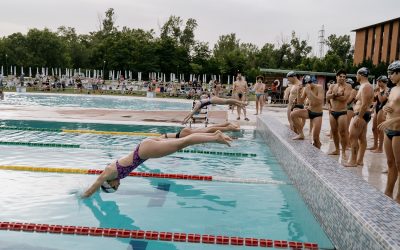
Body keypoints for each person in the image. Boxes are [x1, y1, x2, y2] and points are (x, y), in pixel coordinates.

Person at [82, 131, 233, 198]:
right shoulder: (113, 174)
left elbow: (95, 185)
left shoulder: (109, 172)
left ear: (110, 184)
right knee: (182, 143)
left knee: (183, 142)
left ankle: (215, 137)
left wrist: (82, 196)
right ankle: (214, 135)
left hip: (146, 151)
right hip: (145, 147)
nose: (118, 186)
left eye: (115, 187)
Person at [378, 61, 400, 203]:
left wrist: (391, 121)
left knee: (399, 164)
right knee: (390, 163)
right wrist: (386, 108)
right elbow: (392, 104)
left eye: (391, 73)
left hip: (398, 131)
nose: (389, 76)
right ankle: (388, 192)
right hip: (389, 130)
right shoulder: (393, 89)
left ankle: (399, 197)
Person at [343, 67, 374, 167]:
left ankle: (353, 161)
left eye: (357, 74)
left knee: (352, 136)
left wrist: (359, 117)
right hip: (363, 114)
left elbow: (365, 104)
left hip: (361, 114)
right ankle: (359, 160)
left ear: (360, 75)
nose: (356, 76)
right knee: (361, 137)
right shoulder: (363, 86)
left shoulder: (366, 86)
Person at [290, 75, 324, 148]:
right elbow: (300, 102)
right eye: (306, 84)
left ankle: (318, 149)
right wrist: (298, 92)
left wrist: (310, 92)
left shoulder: (319, 87)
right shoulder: (306, 89)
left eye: (310, 83)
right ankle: (301, 134)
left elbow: (319, 102)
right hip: (309, 111)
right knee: (293, 114)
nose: (308, 85)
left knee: (315, 138)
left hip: (317, 114)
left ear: (313, 82)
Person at [326, 70, 352, 159]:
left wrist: (333, 95)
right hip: (332, 112)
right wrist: (337, 94)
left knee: (343, 133)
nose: (342, 78)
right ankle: (337, 149)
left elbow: (344, 98)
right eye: (340, 76)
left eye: (344, 77)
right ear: (336, 77)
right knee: (334, 132)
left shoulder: (348, 86)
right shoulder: (332, 86)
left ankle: (344, 151)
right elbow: (327, 96)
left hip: (342, 112)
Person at [182, 93, 247, 125]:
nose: (200, 110)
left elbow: (191, 113)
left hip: (213, 100)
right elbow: (190, 113)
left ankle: (242, 103)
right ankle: (242, 105)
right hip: (213, 99)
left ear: (197, 110)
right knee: (228, 102)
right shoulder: (197, 105)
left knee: (227, 101)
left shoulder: (197, 106)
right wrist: (185, 119)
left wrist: (186, 120)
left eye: (199, 111)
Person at [369, 75, 389, 153]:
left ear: (383, 82)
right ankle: (375, 145)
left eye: (379, 82)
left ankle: (380, 148)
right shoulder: (379, 90)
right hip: (377, 109)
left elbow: (381, 100)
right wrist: (372, 109)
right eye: (378, 81)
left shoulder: (387, 90)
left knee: (380, 129)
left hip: (382, 110)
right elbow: (376, 100)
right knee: (374, 128)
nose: (378, 83)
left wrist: (378, 92)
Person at [162, 122, 239, 139]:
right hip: (182, 133)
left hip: (181, 135)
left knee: (208, 130)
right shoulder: (160, 138)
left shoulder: (161, 138)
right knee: (208, 129)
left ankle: (230, 128)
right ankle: (227, 124)